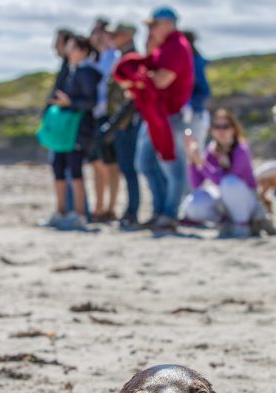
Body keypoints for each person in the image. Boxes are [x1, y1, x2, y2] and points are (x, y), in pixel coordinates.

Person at [131, 6, 194, 232]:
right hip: (155, 115)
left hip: (171, 116)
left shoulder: (177, 46)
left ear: (169, 24)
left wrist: (139, 79)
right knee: (145, 163)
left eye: (153, 25)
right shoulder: (163, 47)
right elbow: (149, 73)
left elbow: (161, 80)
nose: (150, 30)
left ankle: (169, 214)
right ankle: (159, 211)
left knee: (173, 168)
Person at [46, 36, 102, 230]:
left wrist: (70, 102)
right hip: (64, 130)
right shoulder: (70, 71)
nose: (69, 52)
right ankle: (60, 211)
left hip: (78, 130)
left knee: (75, 171)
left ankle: (79, 214)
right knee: (59, 169)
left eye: (73, 48)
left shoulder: (86, 73)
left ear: (84, 51)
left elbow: (91, 102)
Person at [181, 109, 264, 238]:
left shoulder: (240, 150)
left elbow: (222, 180)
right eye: (217, 127)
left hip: (247, 201)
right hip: (225, 201)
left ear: (234, 129)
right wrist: (192, 159)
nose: (221, 131)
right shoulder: (212, 149)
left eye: (225, 127)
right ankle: (225, 223)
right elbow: (196, 184)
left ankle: (242, 225)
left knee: (229, 182)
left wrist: (202, 164)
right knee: (193, 203)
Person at [107, 22, 142, 228]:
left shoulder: (132, 60)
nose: (112, 38)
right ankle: (130, 211)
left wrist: (119, 123)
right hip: (121, 122)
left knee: (130, 169)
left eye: (116, 35)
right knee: (126, 168)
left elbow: (133, 98)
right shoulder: (123, 58)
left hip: (127, 124)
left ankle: (132, 212)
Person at [88, 19, 120, 222]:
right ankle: (98, 207)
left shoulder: (115, 57)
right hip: (93, 115)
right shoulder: (92, 58)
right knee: (97, 163)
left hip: (109, 115)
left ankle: (111, 207)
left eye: (101, 32)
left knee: (111, 163)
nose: (98, 36)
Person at [182, 31, 212, 151]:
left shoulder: (195, 63)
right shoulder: (194, 61)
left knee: (193, 151)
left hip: (194, 115)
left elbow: (205, 91)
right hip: (191, 114)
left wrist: (188, 104)